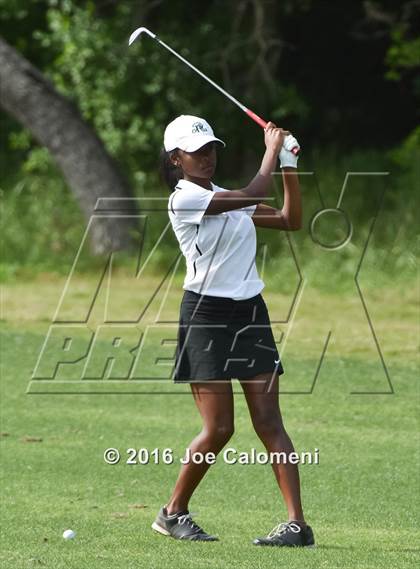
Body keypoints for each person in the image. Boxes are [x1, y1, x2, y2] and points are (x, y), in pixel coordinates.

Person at [152, 114, 315, 547]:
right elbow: (252, 193)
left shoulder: (229, 196)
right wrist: (270, 152)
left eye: (210, 149)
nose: (206, 157)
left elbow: (288, 219)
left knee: (269, 421)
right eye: (196, 151)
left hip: (250, 314)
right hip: (205, 318)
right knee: (220, 429)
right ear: (176, 158)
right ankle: (172, 512)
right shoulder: (183, 199)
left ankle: (297, 524)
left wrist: (289, 167)